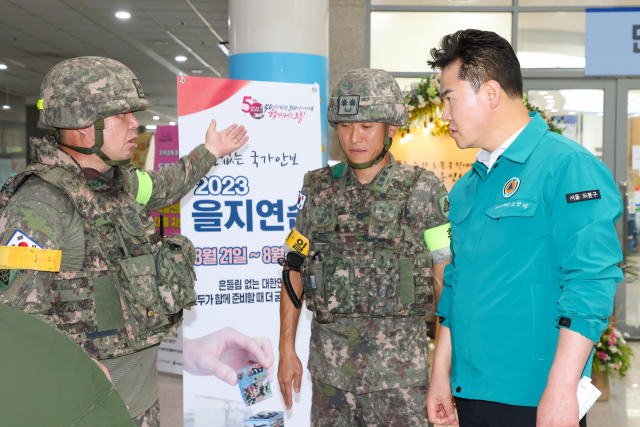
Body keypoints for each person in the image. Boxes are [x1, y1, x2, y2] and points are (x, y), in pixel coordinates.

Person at [0, 56, 249, 426]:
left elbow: (166, 186)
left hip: (141, 404)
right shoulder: (41, 204)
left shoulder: (121, 183)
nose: (135, 123)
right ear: (84, 125)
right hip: (86, 410)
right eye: (123, 115)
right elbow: (16, 314)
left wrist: (210, 151)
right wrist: (74, 367)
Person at [425, 30, 622, 427]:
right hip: (471, 393)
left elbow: (591, 281)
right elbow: (455, 287)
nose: (443, 115)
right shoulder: (468, 188)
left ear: (492, 93)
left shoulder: (566, 166)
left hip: (536, 397)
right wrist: (440, 375)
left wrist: (562, 389)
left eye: (449, 99)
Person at [277, 68, 452, 426]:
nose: (353, 137)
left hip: (399, 384)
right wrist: (285, 349)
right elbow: (293, 267)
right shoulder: (317, 190)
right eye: (344, 126)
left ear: (391, 129)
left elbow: (446, 281)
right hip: (330, 380)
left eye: (366, 126)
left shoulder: (424, 192)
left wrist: (447, 371)